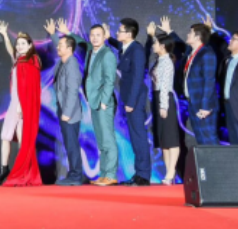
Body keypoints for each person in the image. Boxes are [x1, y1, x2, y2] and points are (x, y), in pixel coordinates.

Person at [59, 20, 119, 187]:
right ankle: (104, 174)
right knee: (101, 140)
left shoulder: (107, 54)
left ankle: (111, 175)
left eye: (98, 35)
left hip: (103, 102)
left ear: (104, 37)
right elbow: (81, 41)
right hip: (94, 101)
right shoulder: (91, 50)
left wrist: (104, 101)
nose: (94, 38)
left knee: (107, 139)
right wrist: (68, 33)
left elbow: (110, 80)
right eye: (92, 35)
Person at [0, 22, 43, 188]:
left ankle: (24, 171)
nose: (19, 46)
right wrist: (5, 35)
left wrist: (21, 106)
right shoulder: (19, 60)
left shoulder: (32, 61)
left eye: (23, 43)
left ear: (30, 46)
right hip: (14, 104)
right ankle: (4, 169)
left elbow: (29, 87)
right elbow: (11, 51)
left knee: (24, 140)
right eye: (18, 44)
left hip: (23, 107)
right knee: (5, 136)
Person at [105, 19, 152, 187]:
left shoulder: (136, 50)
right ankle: (138, 173)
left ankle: (143, 176)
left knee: (139, 136)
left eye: (120, 31)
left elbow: (138, 78)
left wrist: (131, 102)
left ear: (129, 34)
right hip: (129, 99)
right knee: (134, 136)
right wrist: (108, 38)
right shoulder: (127, 47)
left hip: (135, 99)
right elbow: (118, 45)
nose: (117, 33)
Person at [161, 18, 219, 146]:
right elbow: (180, 44)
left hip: (203, 104)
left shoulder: (207, 53)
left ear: (198, 37)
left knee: (209, 139)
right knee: (201, 139)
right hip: (193, 102)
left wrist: (205, 106)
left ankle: (217, 160)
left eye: (190, 33)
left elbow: (209, 81)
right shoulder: (192, 52)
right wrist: (169, 31)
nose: (188, 34)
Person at [46, 20, 85, 186]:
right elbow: (61, 48)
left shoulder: (72, 64)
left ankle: (75, 176)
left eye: (61, 45)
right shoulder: (64, 62)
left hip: (70, 112)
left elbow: (73, 90)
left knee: (72, 144)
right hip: (64, 109)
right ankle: (73, 174)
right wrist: (53, 35)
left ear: (69, 49)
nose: (58, 47)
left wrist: (67, 112)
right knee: (69, 143)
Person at [151, 35, 181, 185]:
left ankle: (171, 172)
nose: (153, 45)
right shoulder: (160, 60)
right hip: (157, 98)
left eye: (155, 43)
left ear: (163, 46)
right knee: (164, 139)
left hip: (165, 99)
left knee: (171, 137)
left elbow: (164, 86)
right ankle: (169, 173)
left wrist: (164, 106)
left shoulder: (167, 62)